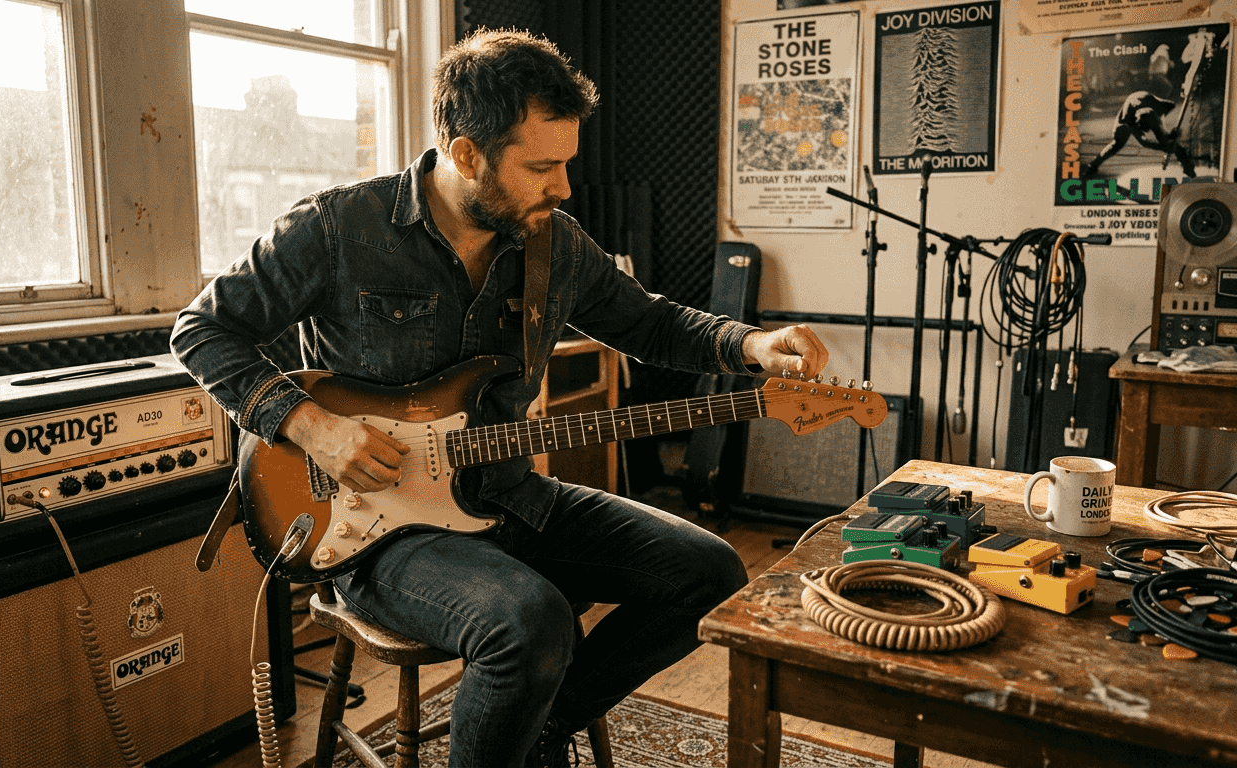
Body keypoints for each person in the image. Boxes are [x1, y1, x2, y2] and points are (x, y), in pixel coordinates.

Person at [171, 28, 829, 768]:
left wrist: (749, 345)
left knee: (709, 574)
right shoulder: (337, 227)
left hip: (511, 499)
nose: (563, 187)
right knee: (529, 621)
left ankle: (534, 730)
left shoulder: (556, 243)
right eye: (541, 166)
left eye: (566, 165)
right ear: (465, 154)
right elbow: (201, 329)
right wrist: (314, 427)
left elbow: (651, 322)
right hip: (379, 534)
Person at [1084, 90, 1195, 178]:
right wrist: (1163, 146)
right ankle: (1093, 165)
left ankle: (1187, 166)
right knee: (1117, 144)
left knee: (1167, 141)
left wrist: (1169, 134)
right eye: (1143, 129)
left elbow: (1171, 105)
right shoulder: (1128, 119)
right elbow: (1144, 142)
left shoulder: (1157, 109)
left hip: (1149, 111)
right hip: (1127, 118)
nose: (1147, 131)